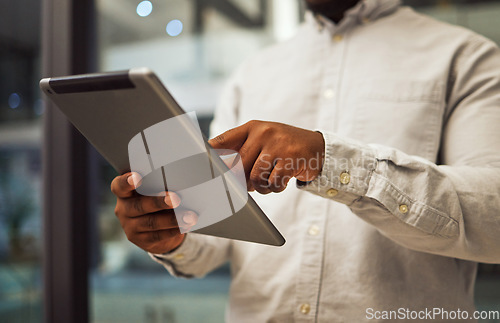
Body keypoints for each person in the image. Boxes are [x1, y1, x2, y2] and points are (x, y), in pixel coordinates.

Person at [111, 0, 500, 321]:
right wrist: (170, 234)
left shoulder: (466, 58)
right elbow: (213, 240)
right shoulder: (252, 74)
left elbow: (494, 223)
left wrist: (328, 160)